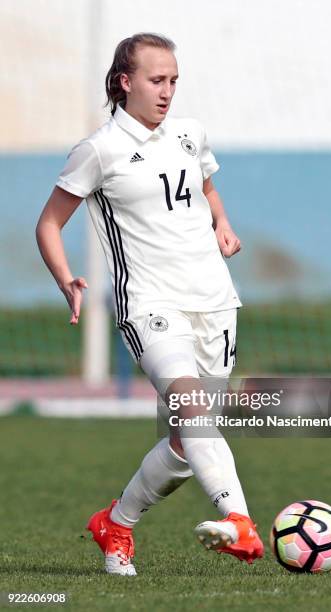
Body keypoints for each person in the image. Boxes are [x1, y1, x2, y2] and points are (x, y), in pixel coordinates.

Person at [36, 33, 264, 576]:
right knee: (190, 405)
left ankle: (116, 522)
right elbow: (49, 222)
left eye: (174, 82)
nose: (167, 93)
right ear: (125, 82)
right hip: (149, 304)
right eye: (157, 81)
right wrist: (66, 279)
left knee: (187, 444)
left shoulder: (189, 134)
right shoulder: (98, 150)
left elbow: (206, 188)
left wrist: (223, 224)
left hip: (214, 301)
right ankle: (239, 519)